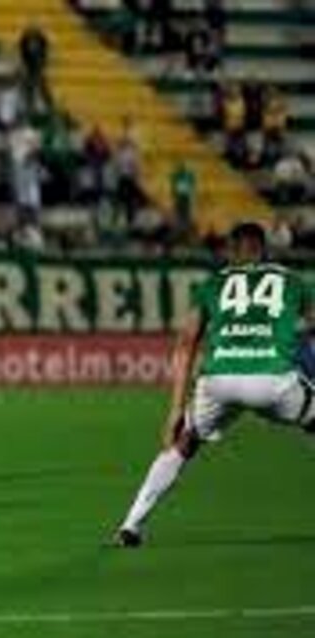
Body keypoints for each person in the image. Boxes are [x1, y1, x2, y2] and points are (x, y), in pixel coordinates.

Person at [115, 222, 315, 547]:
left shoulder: (213, 284)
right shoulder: (293, 281)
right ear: (264, 249)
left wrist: (176, 410)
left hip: (219, 381)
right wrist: (296, 336)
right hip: (274, 381)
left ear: (232, 251)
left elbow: (185, 344)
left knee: (184, 443)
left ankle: (131, 524)